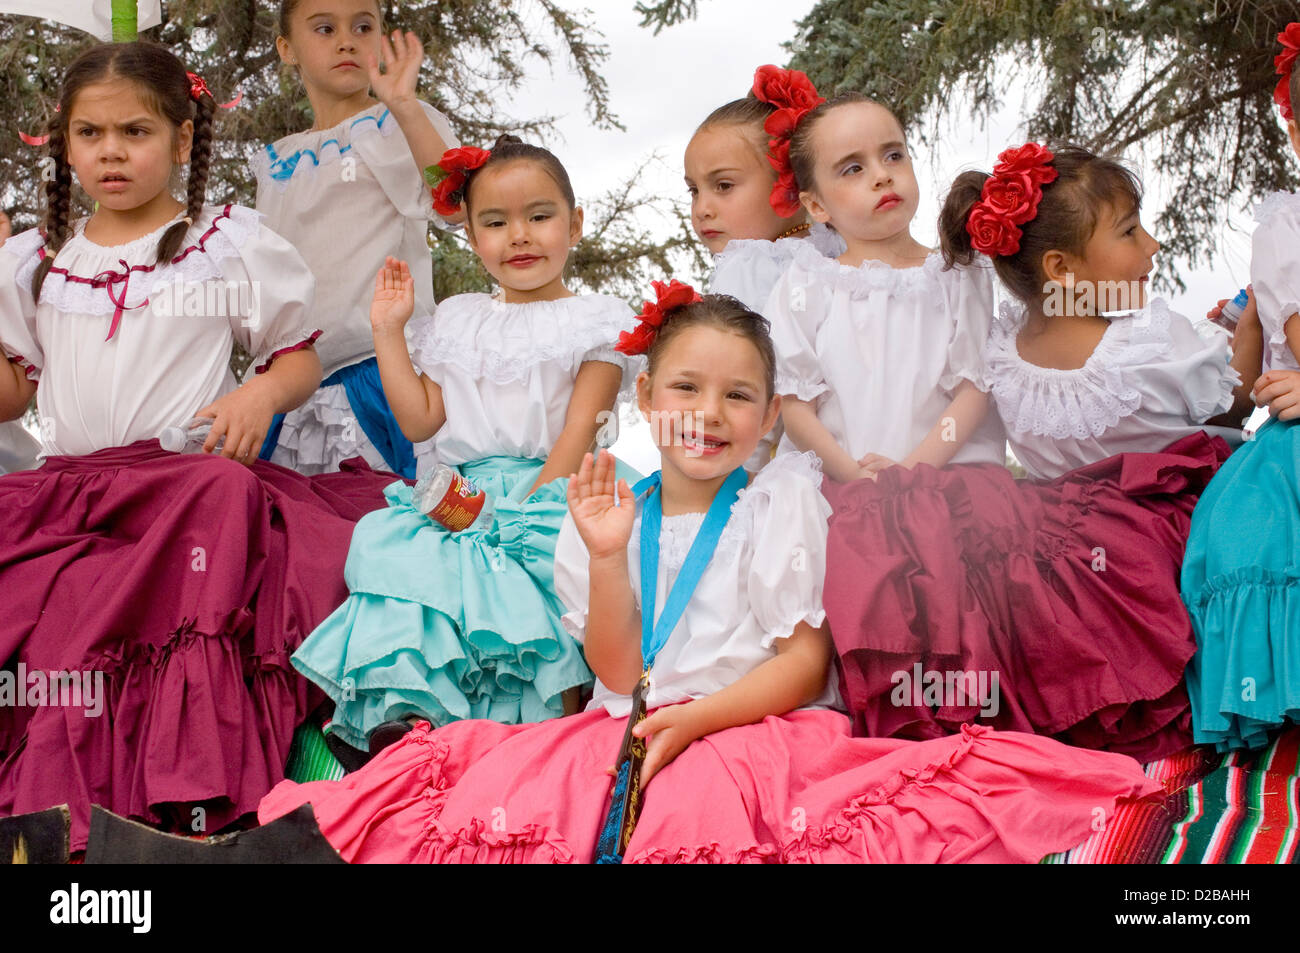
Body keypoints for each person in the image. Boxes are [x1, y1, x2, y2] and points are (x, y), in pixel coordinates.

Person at [258, 287, 1163, 864]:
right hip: (618, 732)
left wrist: (701, 720)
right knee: (461, 793)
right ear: (647, 399)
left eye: (737, 396)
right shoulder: (608, 504)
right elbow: (614, 672)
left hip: (748, 726)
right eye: (686, 388)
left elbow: (806, 662)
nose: (709, 413)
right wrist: (608, 556)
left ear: (769, 417)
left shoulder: (780, 501)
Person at [0, 41, 394, 851]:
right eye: (90, 133)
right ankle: (54, 815)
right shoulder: (38, 260)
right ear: (65, 143)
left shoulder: (222, 243)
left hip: (178, 481)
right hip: (73, 485)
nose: (111, 152)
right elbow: (18, 388)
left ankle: (189, 800)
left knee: (227, 493)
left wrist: (258, 393)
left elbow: (297, 353)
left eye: (136, 131)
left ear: (182, 139)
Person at [825, 141, 1259, 762]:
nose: (1152, 247)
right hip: (1174, 517)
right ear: (1061, 269)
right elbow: (1234, 401)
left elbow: (963, 423)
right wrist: (1249, 329)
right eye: (1131, 231)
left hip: (1071, 543)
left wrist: (909, 464)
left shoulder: (1004, 353)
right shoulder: (1150, 341)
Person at [290, 137, 639, 758]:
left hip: (557, 489)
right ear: (474, 238)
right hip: (464, 491)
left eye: (539, 216)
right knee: (398, 554)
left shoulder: (596, 321)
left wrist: (515, 516)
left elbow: (580, 430)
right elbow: (421, 420)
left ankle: (531, 737)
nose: (519, 236)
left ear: (575, 224)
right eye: (496, 223)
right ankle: (416, 728)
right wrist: (388, 333)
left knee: (531, 581)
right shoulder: (459, 320)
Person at [254, 0, 459, 477]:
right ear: (288, 48)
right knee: (313, 537)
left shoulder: (397, 122)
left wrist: (405, 106)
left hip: (387, 371)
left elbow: (457, 204)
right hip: (299, 386)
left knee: (404, 523)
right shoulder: (275, 161)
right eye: (324, 28)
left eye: (363, 26)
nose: (347, 40)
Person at [764, 93, 1007, 481]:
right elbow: (796, 406)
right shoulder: (806, 283)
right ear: (816, 206)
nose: (882, 175)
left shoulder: (959, 273)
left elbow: (973, 391)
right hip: (834, 485)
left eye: (894, 155)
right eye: (853, 168)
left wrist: (907, 475)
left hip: (942, 481)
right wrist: (858, 480)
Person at [1181, 21, 1300, 751]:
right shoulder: (1285, 228)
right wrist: (1248, 324)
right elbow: (1254, 378)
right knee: (1247, 530)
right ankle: (1273, 695)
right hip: (1288, 438)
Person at [686, 66, 844, 472]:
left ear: (788, 185)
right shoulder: (837, 255)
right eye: (694, 189)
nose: (702, 207)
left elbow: (734, 384)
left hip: (775, 466)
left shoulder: (750, 267)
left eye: (723, 186)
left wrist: (733, 483)